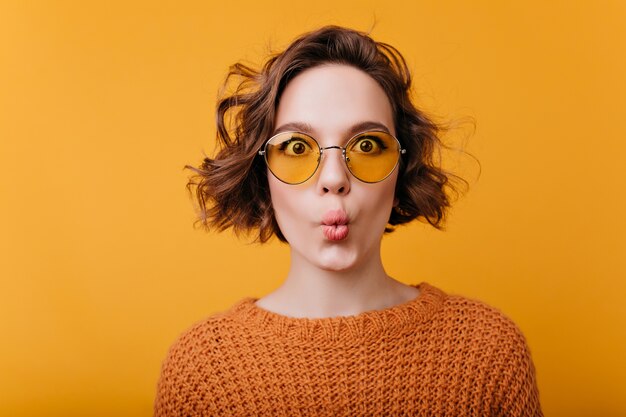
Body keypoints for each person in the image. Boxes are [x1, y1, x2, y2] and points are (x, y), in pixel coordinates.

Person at [154, 26, 543, 416]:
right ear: (262, 173)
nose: (335, 179)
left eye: (367, 145)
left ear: (402, 166)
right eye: (296, 147)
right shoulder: (203, 370)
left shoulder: (488, 352)